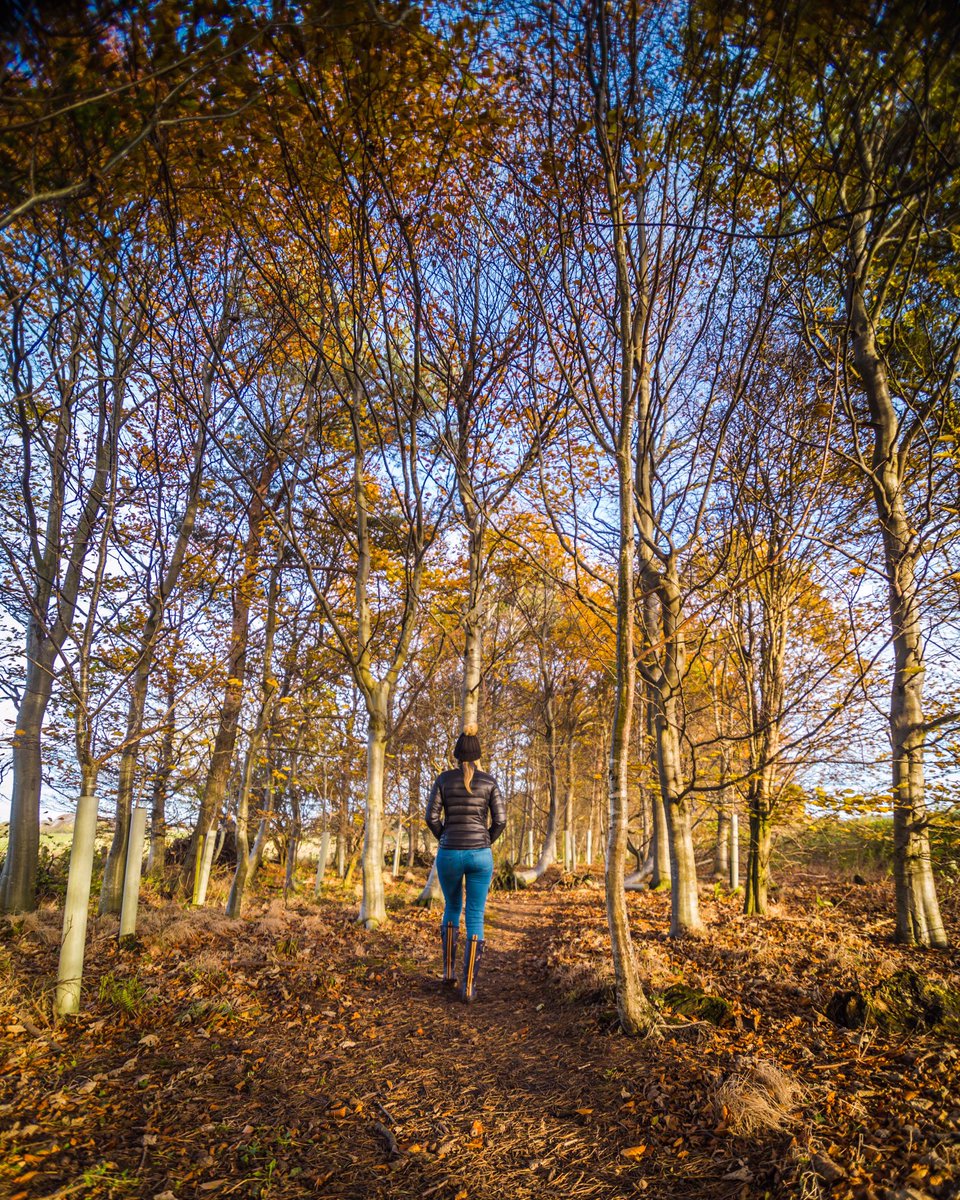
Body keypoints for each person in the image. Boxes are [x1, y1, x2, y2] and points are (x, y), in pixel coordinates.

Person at [425, 723, 506, 1003]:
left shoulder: (443, 780)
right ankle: (469, 985)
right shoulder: (490, 781)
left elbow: (431, 818)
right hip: (480, 854)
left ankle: (448, 972)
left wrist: (445, 837)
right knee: (475, 915)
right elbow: (501, 820)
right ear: (478, 754)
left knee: (451, 906)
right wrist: (485, 840)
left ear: (457, 755)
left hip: (449, 853)